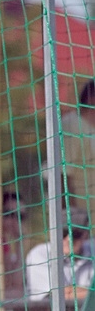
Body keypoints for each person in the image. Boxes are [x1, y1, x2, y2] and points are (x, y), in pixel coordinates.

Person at [23, 206, 95, 311]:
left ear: (85, 235)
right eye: (63, 233)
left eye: (75, 234)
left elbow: (69, 292)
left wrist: (78, 292)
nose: (68, 239)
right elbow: (58, 294)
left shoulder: (92, 250)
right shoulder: (40, 254)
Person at [62, 79, 95, 212]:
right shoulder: (72, 124)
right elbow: (63, 174)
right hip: (81, 219)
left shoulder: (90, 128)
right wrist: (70, 215)